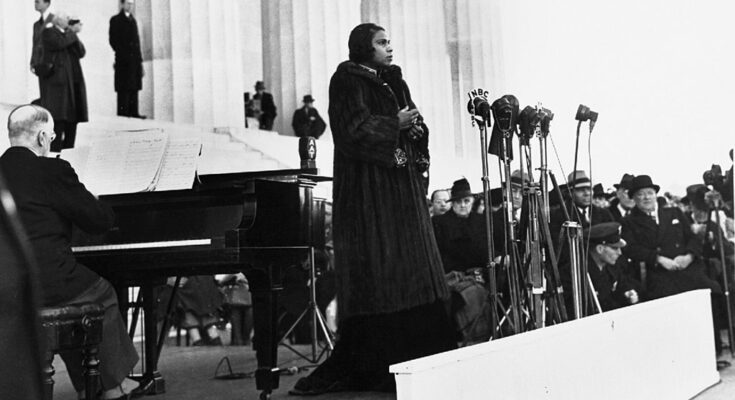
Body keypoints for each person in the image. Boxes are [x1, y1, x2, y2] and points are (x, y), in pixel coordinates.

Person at [290, 23, 456, 396]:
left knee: (411, 267)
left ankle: (426, 356)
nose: (389, 48)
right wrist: (392, 124)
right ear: (363, 48)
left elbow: (414, 120)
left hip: (402, 191)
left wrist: (415, 130)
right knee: (382, 269)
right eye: (381, 43)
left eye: (389, 42)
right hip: (371, 194)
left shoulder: (392, 79)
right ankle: (379, 364)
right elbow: (351, 132)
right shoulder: (347, 80)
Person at [0, 104, 140, 400]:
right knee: (102, 295)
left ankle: (92, 385)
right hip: (47, 281)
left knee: (77, 297)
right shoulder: (52, 169)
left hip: (7, 286)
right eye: (51, 136)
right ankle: (111, 387)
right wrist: (94, 200)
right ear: (41, 137)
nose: (51, 142)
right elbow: (98, 220)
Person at [432, 178, 491, 342]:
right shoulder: (439, 223)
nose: (463, 205)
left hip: (482, 272)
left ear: (472, 201)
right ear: (453, 203)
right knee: (469, 294)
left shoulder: (481, 221)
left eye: (466, 201)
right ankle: (470, 337)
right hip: (453, 273)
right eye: (458, 202)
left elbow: (486, 249)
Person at [40, 11, 88, 152]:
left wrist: (73, 34)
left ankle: (69, 153)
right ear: (58, 21)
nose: (69, 20)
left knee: (72, 121)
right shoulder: (49, 32)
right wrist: (72, 32)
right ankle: (55, 154)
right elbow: (59, 43)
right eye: (67, 18)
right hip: (59, 85)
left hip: (72, 83)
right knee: (59, 120)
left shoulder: (69, 35)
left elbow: (81, 52)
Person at [581, 222, 642, 311]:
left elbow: (623, 285)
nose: (619, 253)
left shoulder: (612, 266)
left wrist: (628, 293)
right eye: (615, 248)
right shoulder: (579, 274)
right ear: (600, 249)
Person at [109, 0, 145, 118]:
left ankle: (134, 113)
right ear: (122, 4)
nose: (130, 6)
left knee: (134, 87)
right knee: (123, 88)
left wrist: (140, 63)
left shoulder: (133, 20)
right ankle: (123, 114)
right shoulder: (115, 20)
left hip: (134, 61)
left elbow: (137, 43)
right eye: (128, 3)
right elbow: (113, 40)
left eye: (132, 3)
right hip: (123, 60)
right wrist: (123, 53)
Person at [30, 0, 54, 90]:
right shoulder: (36, 25)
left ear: (47, 3)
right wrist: (33, 62)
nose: (35, 3)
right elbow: (35, 44)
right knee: (44, 92)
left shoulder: (54, 20)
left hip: (53, 65)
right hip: (40, 65)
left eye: (38, 1)